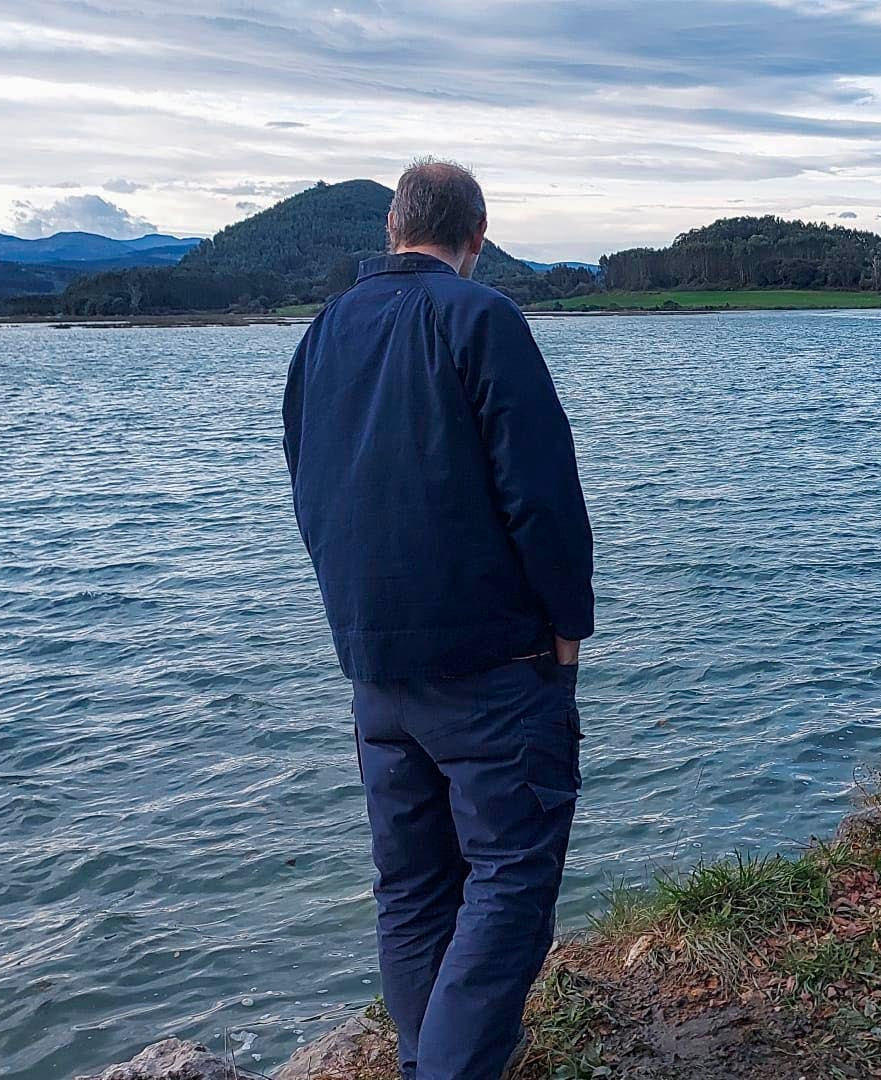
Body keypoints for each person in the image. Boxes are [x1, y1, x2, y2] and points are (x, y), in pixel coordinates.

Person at [282, 159, 595, 1080]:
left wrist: (353, 617)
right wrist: (568, 620)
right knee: (510, 880)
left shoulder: (323, 332)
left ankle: (433, 1062)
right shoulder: (483, 316)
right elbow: (539, 491)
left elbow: (308, 487)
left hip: (375, 667)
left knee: (414, 888)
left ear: (391, 229)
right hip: (492, 661)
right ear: (479, 233)